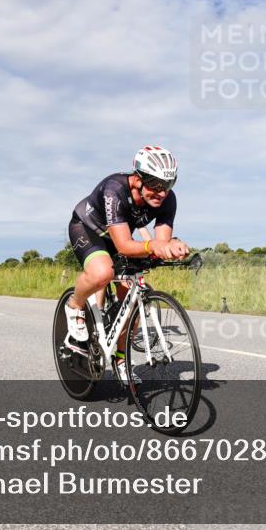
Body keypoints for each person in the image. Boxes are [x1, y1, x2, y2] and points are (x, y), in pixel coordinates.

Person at [64, 146, 189, 384]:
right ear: (137, 178)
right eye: (154, 184)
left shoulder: (167, 200)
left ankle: (120, 358)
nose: (161, 193)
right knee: (102, 272)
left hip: (120, 236)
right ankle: (75, 306)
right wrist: (154, 247)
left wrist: (173, 247)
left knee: (136, 293)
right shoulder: (115, 189)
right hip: (88, 228)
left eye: (168, 184)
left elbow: (159, 244)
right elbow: (123, 246)